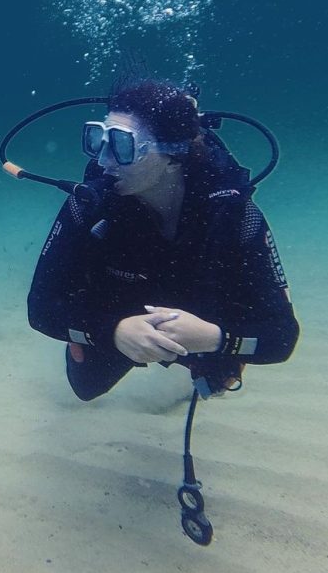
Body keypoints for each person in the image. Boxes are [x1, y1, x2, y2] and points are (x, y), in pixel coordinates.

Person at [27, 79, 299, 400]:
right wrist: (110, 331)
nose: (103, 161)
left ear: (173, 155)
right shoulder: (89, 205)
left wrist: (217, 339)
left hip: (198, 321)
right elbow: (40, 309)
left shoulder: (234, 217)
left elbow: (282, 337)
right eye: (98, 140)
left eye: (123, 145)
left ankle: (211, 359)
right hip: (117, 311)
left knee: (217, 378)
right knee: (85, 386)